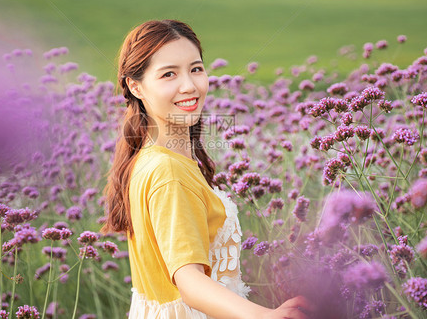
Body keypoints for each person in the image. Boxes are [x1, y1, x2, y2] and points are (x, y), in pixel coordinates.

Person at [102, 20, 312, 319]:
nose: (189, 85)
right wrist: (269, 317)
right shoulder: (168, 172)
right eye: (169, 74)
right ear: (136, 86)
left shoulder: (148, 159)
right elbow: (190, 284)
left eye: (196, 69)